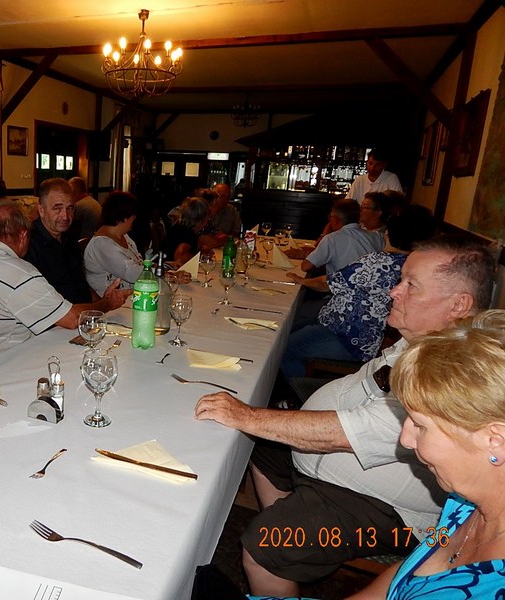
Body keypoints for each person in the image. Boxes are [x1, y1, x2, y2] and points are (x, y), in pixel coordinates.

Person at [194, 235, 494, 597]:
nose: (394, 291)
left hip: (386, 510)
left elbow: (355, 431)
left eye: (410, 285)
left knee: (264, 548)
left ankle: (276, 557)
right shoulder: (422, 340)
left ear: (459, 304)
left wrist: (246, 416)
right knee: (260, 447)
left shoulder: (453, 376)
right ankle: (294, 539)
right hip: (338, 469)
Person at [344, 310, 505, 599]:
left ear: (496, 440)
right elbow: (413, 572)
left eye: (420, 426)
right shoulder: (463, 504)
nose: (405, 439)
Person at [0, 204, 130, 368]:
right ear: (23, 235)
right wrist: (108, 303)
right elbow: (72, 319)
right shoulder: (18, 273)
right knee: (92, 361)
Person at [281, 205, 437, 379]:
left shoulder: (379, 262)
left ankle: (298, 391)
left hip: (350, 338)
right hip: (360, 334)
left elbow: (327, 284)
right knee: (288, 329)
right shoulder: (418, 267)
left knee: (285, 347)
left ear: (388, 233)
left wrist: (301, 280)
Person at [25, 178, 92, 304]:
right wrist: (105, 305)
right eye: (57, 208)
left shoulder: (69, 238)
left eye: (70, 208)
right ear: (41, 210)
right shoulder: (28, 245)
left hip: (82, 311)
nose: (65, 216)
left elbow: (81, 285)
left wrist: (104, 303)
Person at [83, 191, 144, 297]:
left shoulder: (124, 236)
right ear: (124, 217)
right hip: (111, 302)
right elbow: (131, 273)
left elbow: (138, 263)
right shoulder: (102, 244)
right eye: (133, 217)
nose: (134, 219)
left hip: (133, 296)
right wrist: (160, 273)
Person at [301, 198, 383, 274]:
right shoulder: (377, 236)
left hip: (343, 285)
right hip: (371, 284)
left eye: (331, 217)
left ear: (336, 219)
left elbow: (306, 267)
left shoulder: (331, 239)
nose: (330, 220)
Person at [162, 196, 209, 265]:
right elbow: (179, 259)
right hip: (168, 268)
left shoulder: (181, 226)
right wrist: (201, 256)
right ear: (202, 217)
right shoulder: (187, 233)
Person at [68, 176, 101, 241]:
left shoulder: (79, 206)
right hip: (95, 239)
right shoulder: (94, 202)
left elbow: (68, 227)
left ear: (74, 192)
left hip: (85, 242)